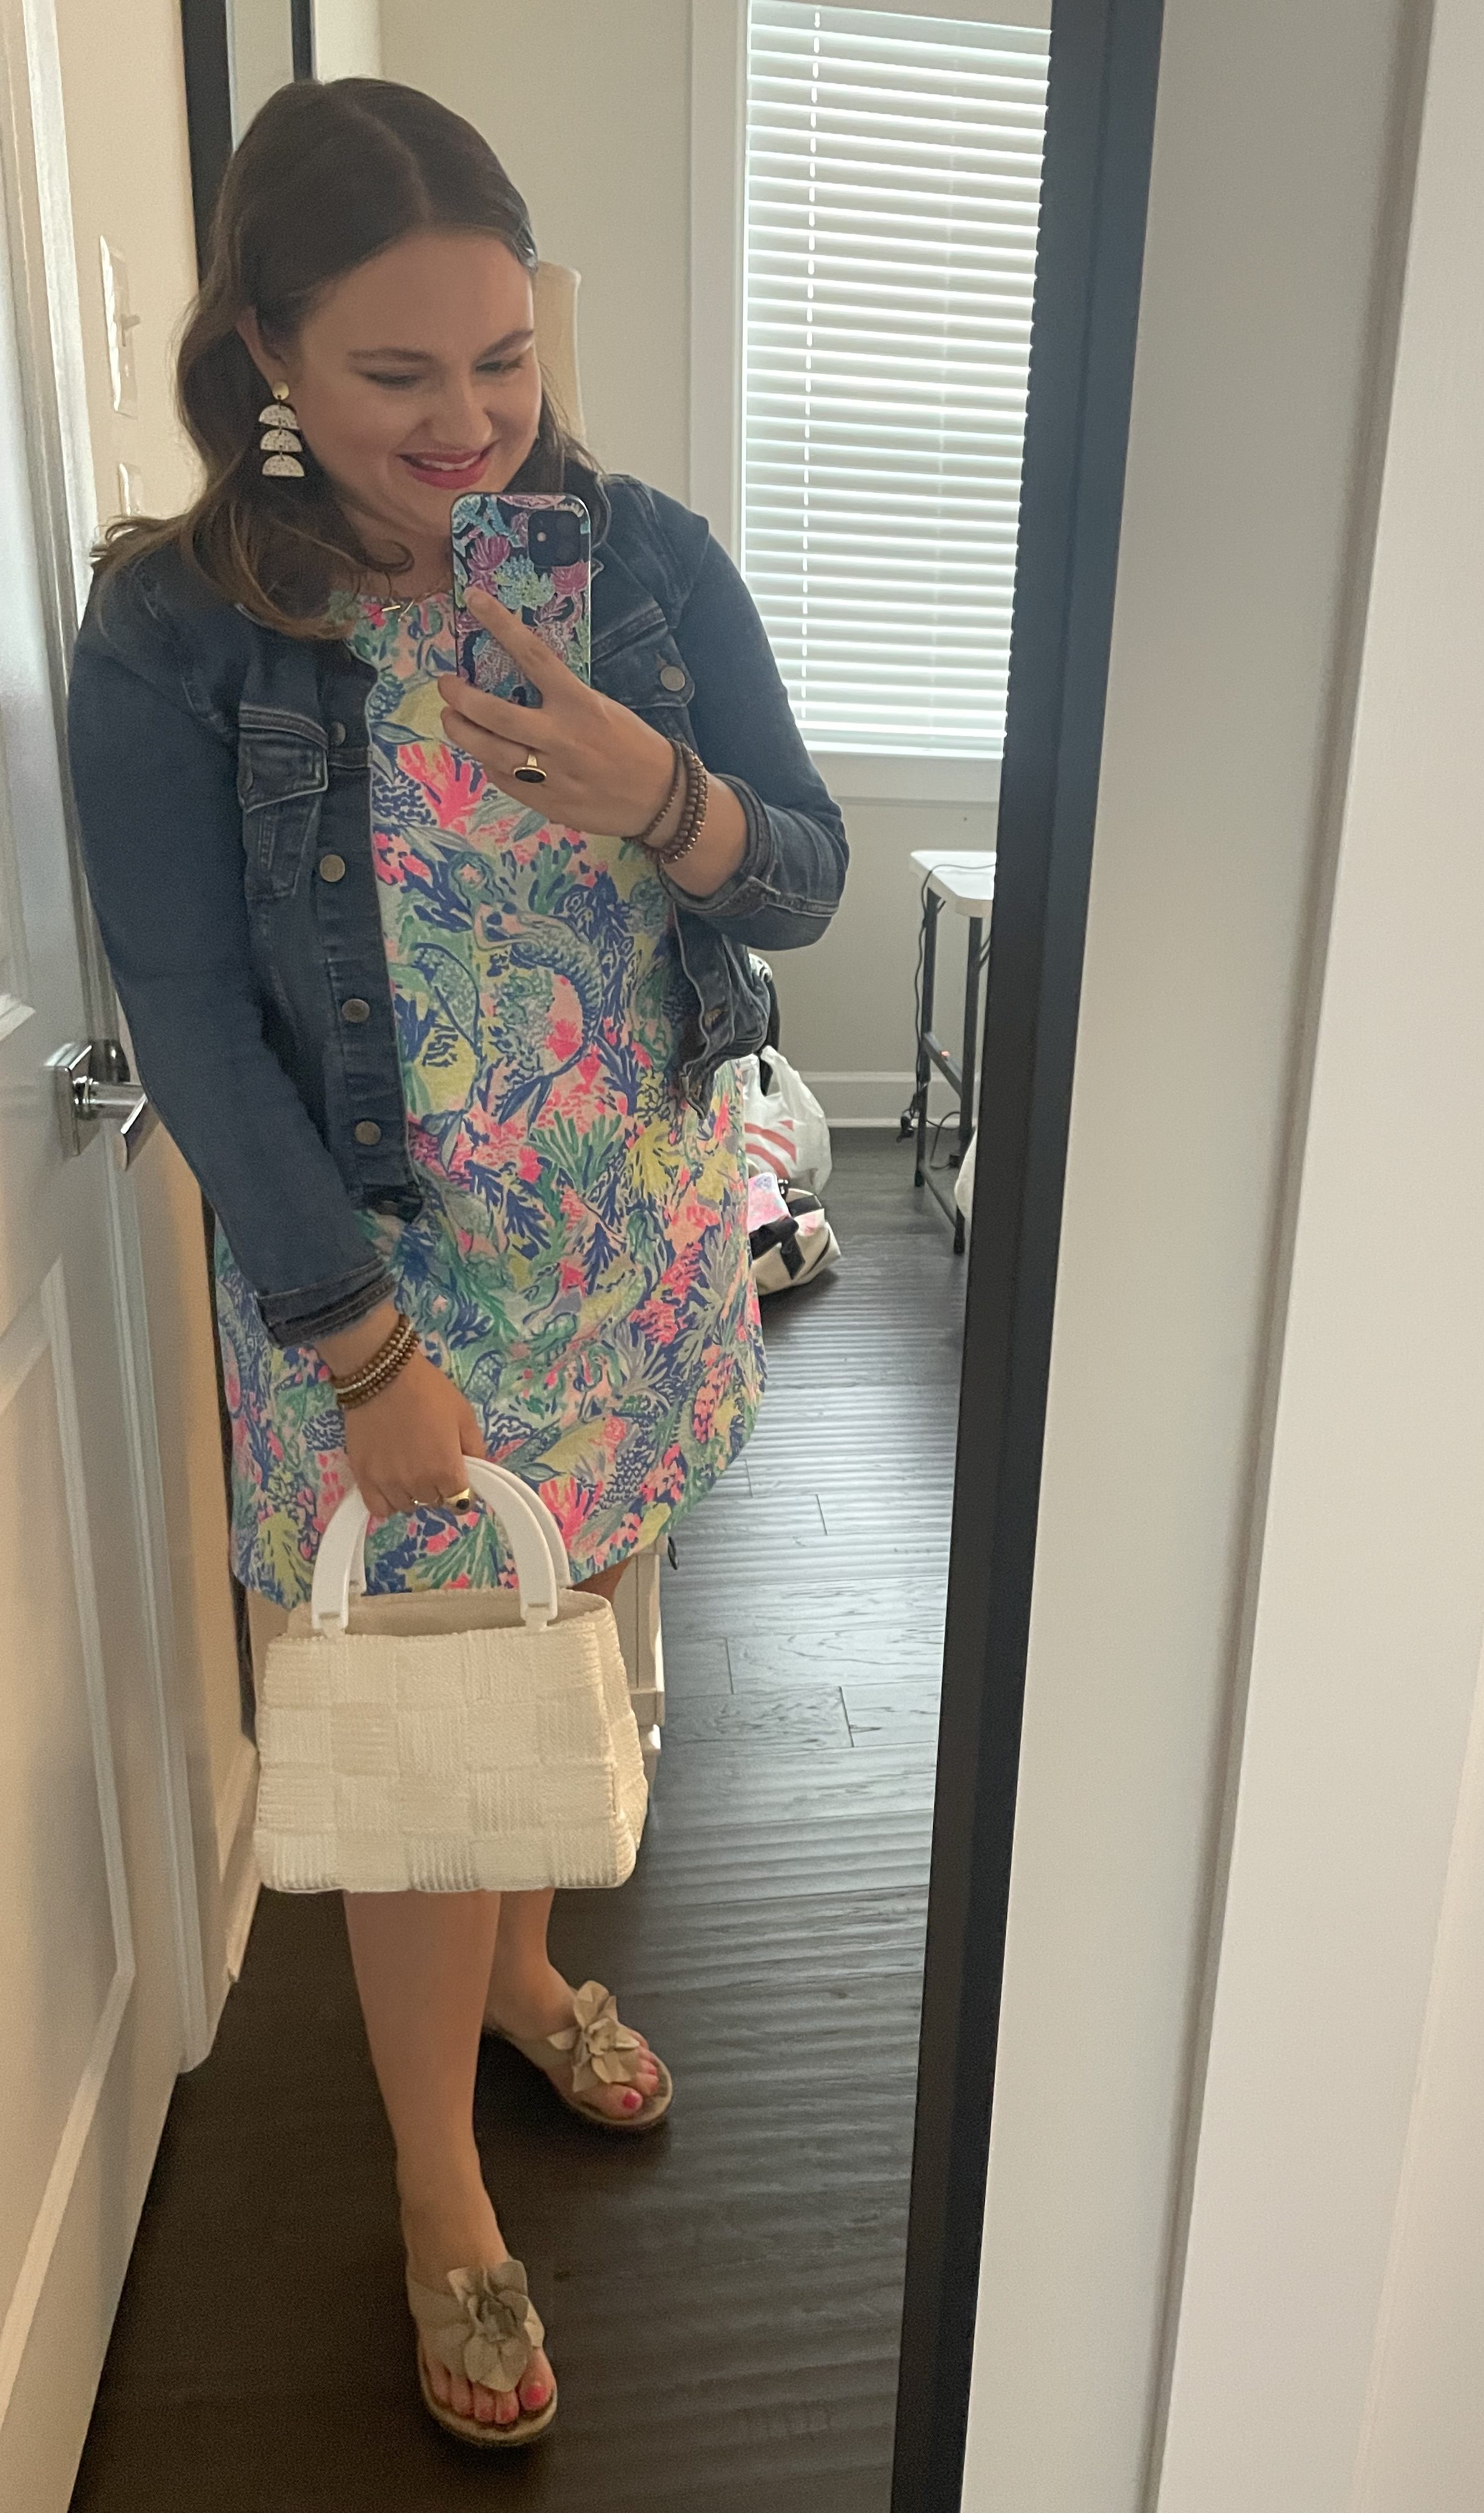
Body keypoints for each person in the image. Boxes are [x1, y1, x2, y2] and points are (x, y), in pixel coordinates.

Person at [66, 77, 845, 2446]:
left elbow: (802, 872)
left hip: (630, 1245)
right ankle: (437, 2188)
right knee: (427, 1740)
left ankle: (522, 1976)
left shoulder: (646, 560)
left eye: (503, 356)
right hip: (380, 1295)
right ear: (267, 351)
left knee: (560, 1636)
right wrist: (357, 1344)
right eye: (396, 371)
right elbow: (192, 1019)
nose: (468, 420)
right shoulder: (179, 631)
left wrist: (659, 797)